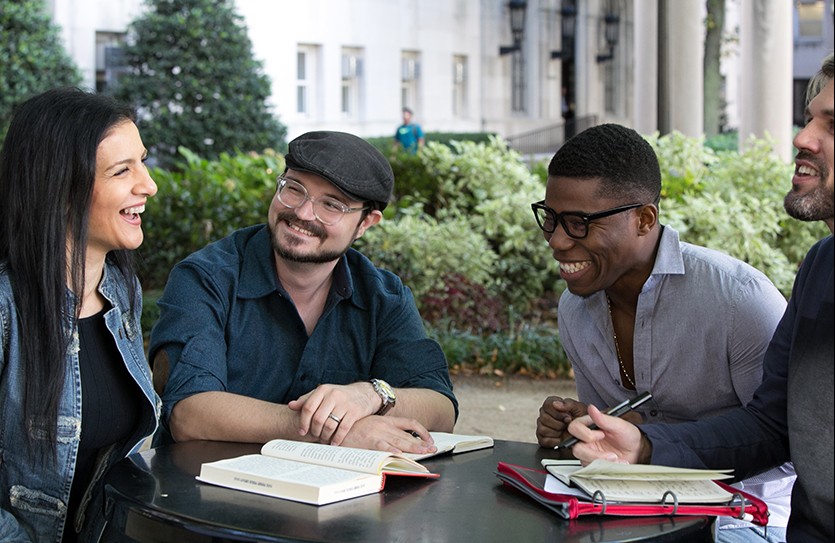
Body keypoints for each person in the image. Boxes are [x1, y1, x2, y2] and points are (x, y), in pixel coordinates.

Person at [565, 53, 834, 542]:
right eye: (809, 118)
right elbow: (772, 429)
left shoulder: (739, 295)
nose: (802, 138)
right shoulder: (820, 269)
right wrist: (644, 446)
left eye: (832, 125)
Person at [531, 122, 795, 541]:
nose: (558, 241)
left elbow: (786, 447)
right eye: (551, 218)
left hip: (744, 517)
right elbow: (617, 444)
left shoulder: (739, 299)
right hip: (634, 511)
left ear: (644, 219)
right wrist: (584, 428)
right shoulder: (574, 308)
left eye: (579, 222)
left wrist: (651, 442)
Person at [150, 130, 457, 455]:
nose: (303, 213)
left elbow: (441, 410)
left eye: (332, 205)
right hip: (202, 497)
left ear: (366, 223)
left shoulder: (384, 296)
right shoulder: (206, 277)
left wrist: (371, 395)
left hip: (333, 500)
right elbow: (188, 413)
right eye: (294, 189)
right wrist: (328, 430)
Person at [0, 88, 160, 542]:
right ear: (59, 186)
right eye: (121, 170)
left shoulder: (120, 291)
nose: (148, 184)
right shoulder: (5, 307)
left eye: (143, 161)